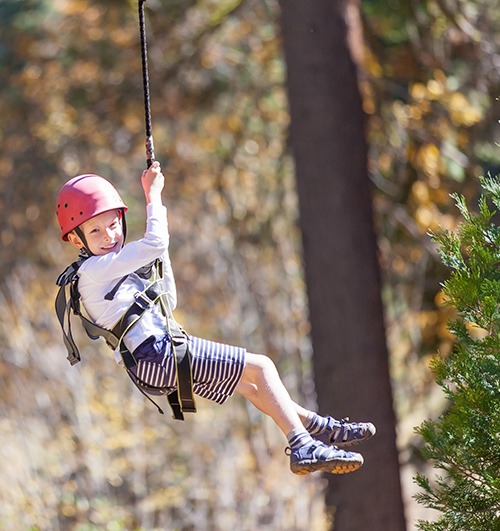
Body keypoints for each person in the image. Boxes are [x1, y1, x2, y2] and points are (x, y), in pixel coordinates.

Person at [55, 161, 376, 475]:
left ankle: (320, 428)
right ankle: (303, 445)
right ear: (76, 239)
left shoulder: (115, 269)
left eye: (113, 224)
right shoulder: (94, 271)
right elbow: (155, 242)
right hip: (158, 355)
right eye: (95, 230)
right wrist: (154, 196)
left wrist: (158, 254)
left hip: (156, 360)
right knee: (262, 367)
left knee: (253, 386)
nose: (109, 236)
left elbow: (168, 299)